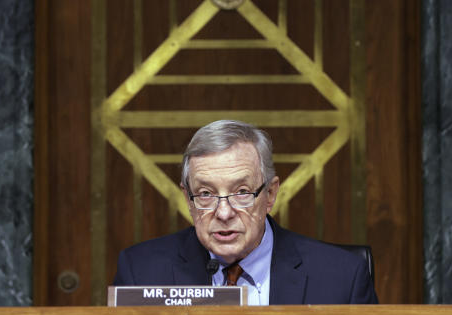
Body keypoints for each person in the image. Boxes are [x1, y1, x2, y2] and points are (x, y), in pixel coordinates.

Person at [112, 120, 378, 304]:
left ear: (270, 194)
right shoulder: (141, 272)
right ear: (188, 199)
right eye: (206, 194)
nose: (224, 212)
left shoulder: (342, 277)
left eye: (242, 192)